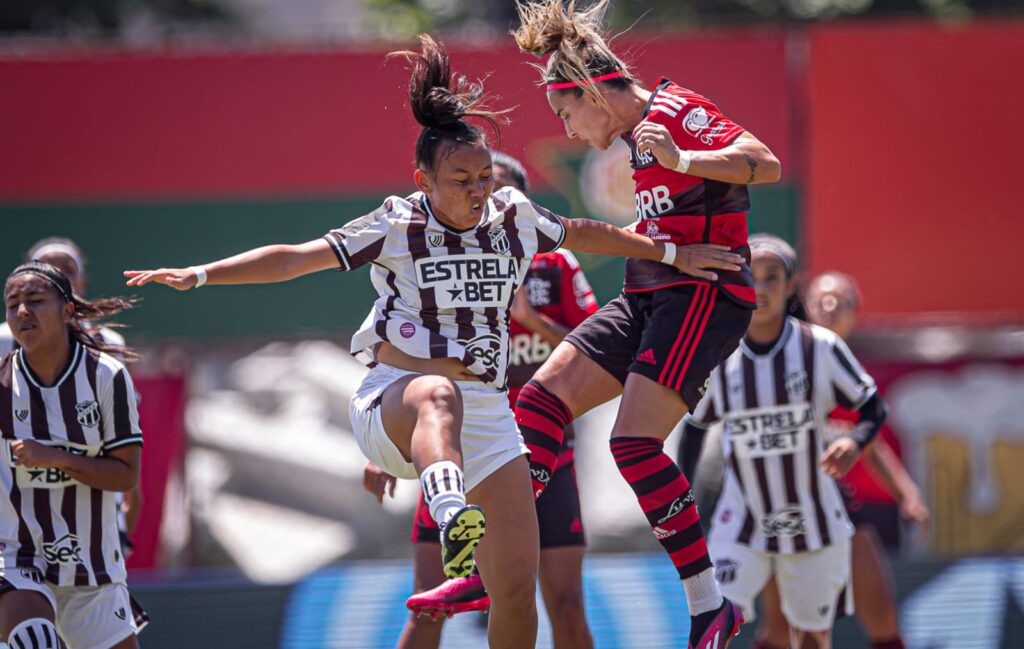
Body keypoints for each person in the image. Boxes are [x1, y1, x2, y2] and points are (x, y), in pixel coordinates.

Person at [124, 34, 742, 649]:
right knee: (438, 393)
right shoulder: (396, 224)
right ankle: (453, 519)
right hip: (395, 400)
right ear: (423, 179)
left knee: (517, 598)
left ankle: (470, 549)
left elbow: (585, 230)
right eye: (461, 179)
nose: (477, 191)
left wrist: (669, 250)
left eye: (483, 177)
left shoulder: (511, 217)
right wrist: (202, 273)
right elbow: (292, 260)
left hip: (488, 416)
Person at [504, 0, 781, 648]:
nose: (566, 129)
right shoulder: (633, 140)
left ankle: (710, 606)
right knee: (539, 403)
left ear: (592, 93)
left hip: (702, 296)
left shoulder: (673, 111)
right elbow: (671, 215)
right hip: (652, 289)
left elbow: (765, 163)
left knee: (631, 445)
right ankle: (500, 545)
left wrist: (684, 155)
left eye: (566, 113)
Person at [364, 151, 598, 649]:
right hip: (456, 447)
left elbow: (592, 350)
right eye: (473, 191)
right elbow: (396, 352)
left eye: (494, 190)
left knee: (564, 602)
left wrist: (531, 318)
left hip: (544, 456)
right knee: (430, 602)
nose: (482, 203)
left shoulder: (554, 266)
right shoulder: (430, 257)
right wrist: (385, 443)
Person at [678, 235, 891, 649]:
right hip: (740, 520)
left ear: (791, 285)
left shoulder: (821, 347)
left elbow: (873, 408)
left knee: (811, 636)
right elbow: (695, 428)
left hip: (813, 518)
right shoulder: (720, 353)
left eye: (771, 278)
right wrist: (682, 501)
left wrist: (855, 442)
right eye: (750, 276)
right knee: (712, 620)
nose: (759, 288)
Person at [749, 271, 927, 649]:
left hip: (841, 506)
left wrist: (908, 496)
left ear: (854, 315)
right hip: (787, 503)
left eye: (840, 301)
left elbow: (872, 446)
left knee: (881, 615)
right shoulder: (783, 359)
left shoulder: (851, 372)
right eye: (822, 299)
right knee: (784, 628)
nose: (830, 307)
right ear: (806, 307)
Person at [1, 262, 145, 649]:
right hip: (18, 560)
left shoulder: (107, 376)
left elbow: (125, 476)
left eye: (35, 300)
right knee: (35, 639)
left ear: (68, 310)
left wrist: (57, 457)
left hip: (93, 567)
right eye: (12, 304)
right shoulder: (0, 381)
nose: (22, 312)